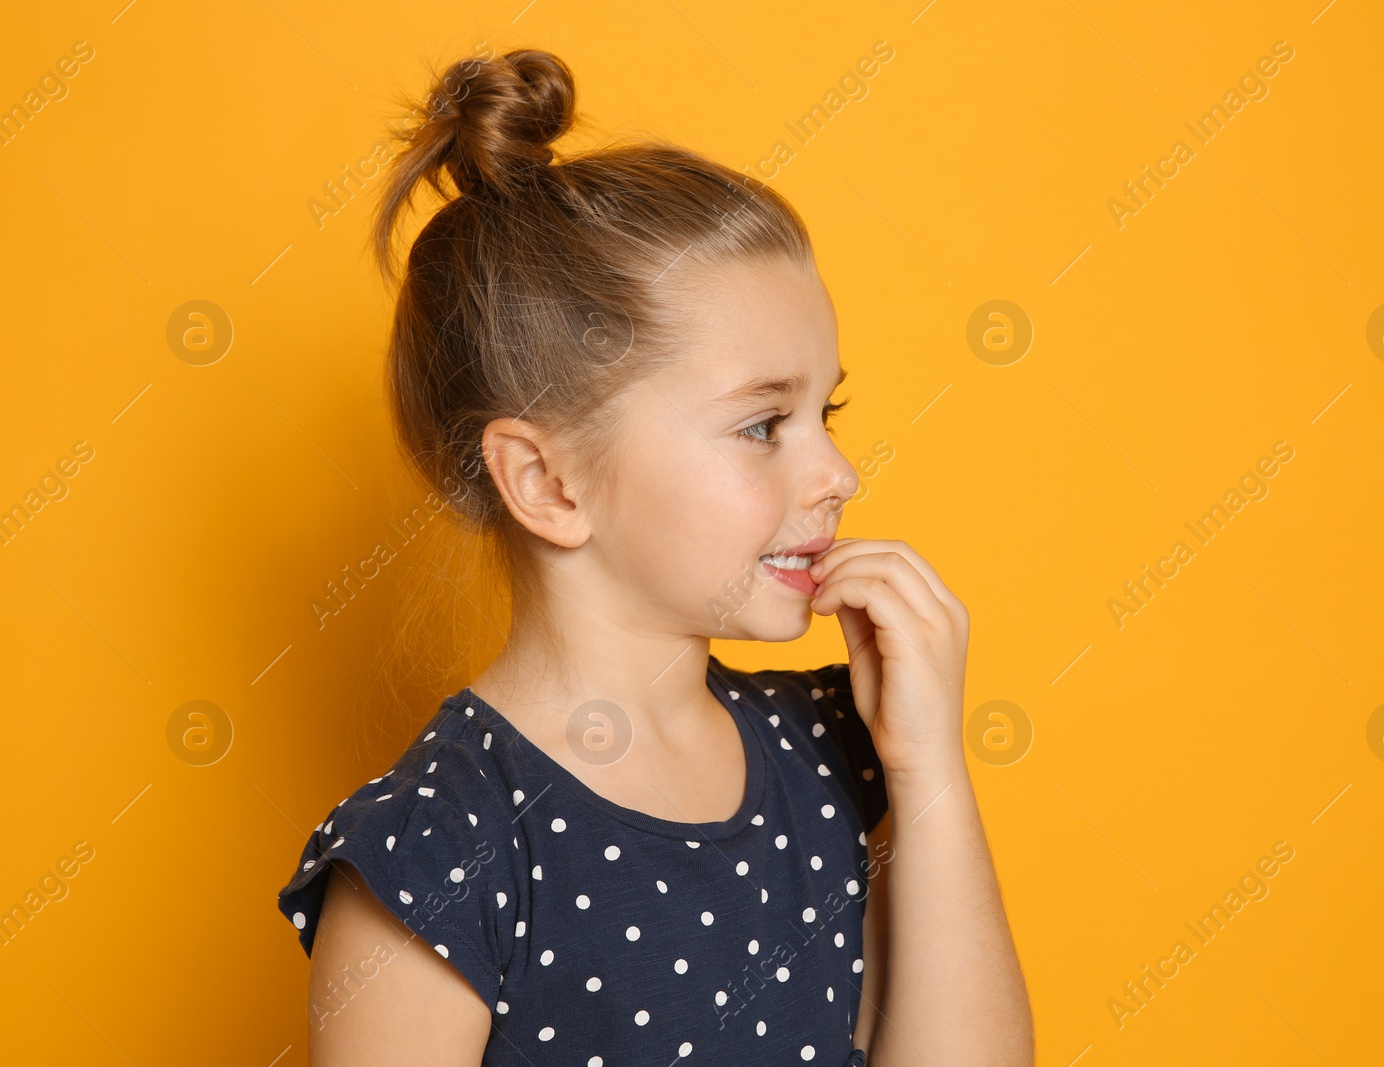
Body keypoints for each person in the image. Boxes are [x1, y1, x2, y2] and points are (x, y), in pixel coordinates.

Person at [275, 46, 1033, 1067]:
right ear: (548, 483)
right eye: (765, 423)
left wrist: (928, 764)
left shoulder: (829, 750)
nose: (839, 471)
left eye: (828, 410)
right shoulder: (440, 847)